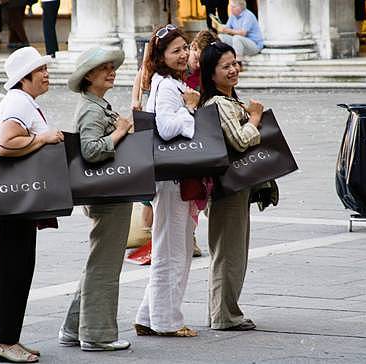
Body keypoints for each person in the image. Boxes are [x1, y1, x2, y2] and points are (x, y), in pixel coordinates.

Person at [0, 46, 64, 362]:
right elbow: (5, 144)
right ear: (25, 78)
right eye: (41, 71)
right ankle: (3, 343)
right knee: (12, 269)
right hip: (12, 202)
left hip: (18, 200)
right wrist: (43, 140)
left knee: (19, 268)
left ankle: (9, 338)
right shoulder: (18, 102)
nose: (46, 75)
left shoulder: (24, 102)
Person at [58, 47, 134, 352]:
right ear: (89, 76)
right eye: (104, 68)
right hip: (108, 195)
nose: (111, 71)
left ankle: (73, 329)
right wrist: (119, 133)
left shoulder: (97, 104)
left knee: (98, 261)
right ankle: (98, 335)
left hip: (109, 192)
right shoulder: (91, 109)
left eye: (112, 67)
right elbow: (90, 150)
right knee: (104, 264)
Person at [134, 24, 200, 337]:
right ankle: (167, 321)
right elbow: (168, 127)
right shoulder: (166, 86)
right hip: (172, 178)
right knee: (173, 249)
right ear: (161, 56)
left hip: (172, 177)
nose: (183, 54)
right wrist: (189, 109)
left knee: (170, 246)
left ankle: (148, 316)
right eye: (176, 50)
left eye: (185, 48)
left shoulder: (167, 82)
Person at [199, 41, 263, 331]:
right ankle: (225, 315)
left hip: (236, 186)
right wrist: (256, 120)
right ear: (211, 74)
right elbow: (238, 140)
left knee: (233, 250)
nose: (233, 69)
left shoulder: (229, 99)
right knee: (228, 252)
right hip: (227, 187)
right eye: (226, 66)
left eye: (235, 63)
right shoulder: (218, 103)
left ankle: (223, 311)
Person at [217, 0, 263, 68]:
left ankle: (238, 64)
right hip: (240, 43)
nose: (231, 8)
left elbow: (243, 33)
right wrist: (219, 26)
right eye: (231, 6)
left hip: (254, 45)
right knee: (221, 37)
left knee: (237, 38)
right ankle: (223, 59)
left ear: (240, 7)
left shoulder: (248, 15)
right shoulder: (233, 16)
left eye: (233, 7)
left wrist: (228, 30)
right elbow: (227, 28)